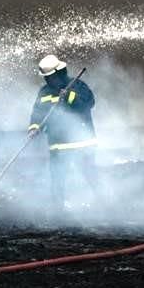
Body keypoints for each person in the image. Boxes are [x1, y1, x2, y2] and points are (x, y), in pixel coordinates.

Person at [27, 55, 97, 213]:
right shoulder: (44, 92)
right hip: (58, 145)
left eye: (51, 77)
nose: (48, 81)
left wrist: (69, 96)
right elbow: (37, 113)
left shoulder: (77, 85)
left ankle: (105, 203)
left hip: (82, 144)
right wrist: (34, 128)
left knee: (91, 176)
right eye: (47, 78)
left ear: (60, 73)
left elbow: (89, 103)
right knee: (57, 180)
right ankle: (59, 212)